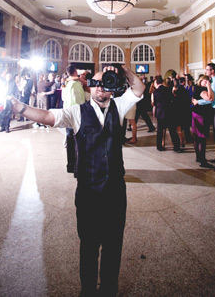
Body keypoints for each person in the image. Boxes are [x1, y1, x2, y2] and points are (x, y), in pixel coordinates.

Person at [9, 66, 144, 297]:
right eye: (98, 82)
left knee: (113, 245)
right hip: (89, 191)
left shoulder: (119, 107)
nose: (102, 87)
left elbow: (139, 87)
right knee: (89, 246)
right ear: (90, 85)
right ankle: (88, 291)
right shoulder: (77, 112)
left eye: (107, 82)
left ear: (113, 88)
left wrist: (122, 70)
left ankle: (109, 289)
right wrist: (19, 107)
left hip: (114, 190)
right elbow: (49, 117)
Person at [195, 62, 215, 170]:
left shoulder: (214, 82)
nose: (206, 71)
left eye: (207, 69)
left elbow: (210, 99)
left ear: (212, 71)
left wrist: (197, 102)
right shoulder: (213, 81)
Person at [62, 64, 86, 171]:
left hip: (67, 114)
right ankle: (76, 165)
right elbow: (78, 100)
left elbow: (64, 99)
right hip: (75, 115)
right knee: (76, 142)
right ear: (75, 72)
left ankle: (70, 165)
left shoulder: (66, 84)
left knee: (70, 141)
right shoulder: (76, 84)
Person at [152, 76, 182, 152]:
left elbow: (154, 103)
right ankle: (176, 147)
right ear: (162, 82)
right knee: (172, 130)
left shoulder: (155, 92)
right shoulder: (168, 90)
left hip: (160, 113)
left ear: (156, 83)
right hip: (169, 112)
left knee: (160, 131)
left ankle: (159, 146)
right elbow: (173, 99)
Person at [191, 75, 214, 167]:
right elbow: (210, 98)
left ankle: (198, 157)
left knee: (197, 137)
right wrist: (208, 86)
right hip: (201, 116)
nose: (206, 82)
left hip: (196, 114)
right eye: (204, 81)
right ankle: (202, 160)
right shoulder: (202, 90)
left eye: (207, 81)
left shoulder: (196, 88)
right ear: (200, 81)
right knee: (202, 138)